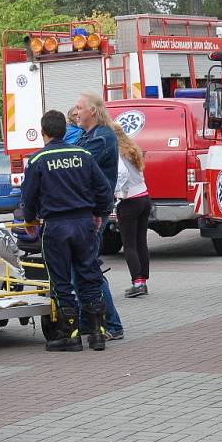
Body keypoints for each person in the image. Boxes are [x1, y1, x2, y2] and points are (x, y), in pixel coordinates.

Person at [21, 109, 113, 352]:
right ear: (66, 129)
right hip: (84, 224)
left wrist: (30, 220)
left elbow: (28, 197)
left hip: (56, 227)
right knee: (90, 275)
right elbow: (103, 189)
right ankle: (97, 334)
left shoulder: (37, 160)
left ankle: (70, 335)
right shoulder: (83, 155)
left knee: (61, 280)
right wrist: (98, 214)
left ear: (43, 132)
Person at [73, 91, 124, 339]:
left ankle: (112, 324)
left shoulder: (101, 138)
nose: (76, 112)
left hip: (94, 212)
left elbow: (77, 165)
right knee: (80, 267)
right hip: (87, 209)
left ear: (93, 110)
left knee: (89, 267)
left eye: (80, 108)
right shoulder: (88, 135)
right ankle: (87, 321)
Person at [113, 124, 151, 298]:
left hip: (129, 200)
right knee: (141, 241)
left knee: (129, 244)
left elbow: (120, 174)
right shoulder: (132, 149)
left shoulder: (116, 152)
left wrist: (116, 191)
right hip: (144, 197)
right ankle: (143, 280)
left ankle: (137, 283)